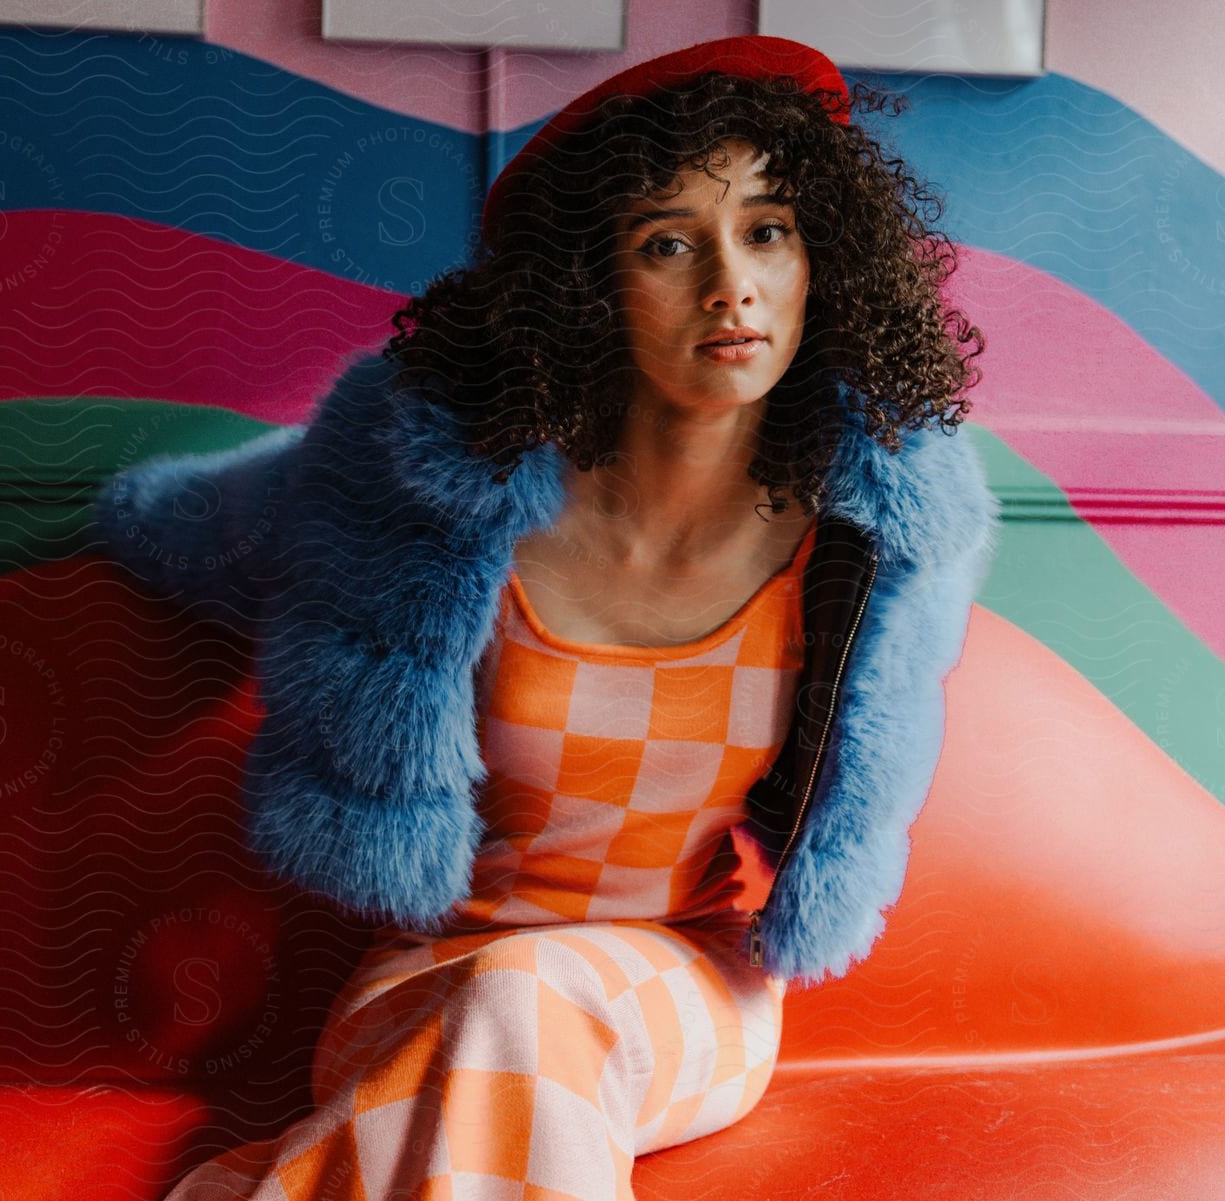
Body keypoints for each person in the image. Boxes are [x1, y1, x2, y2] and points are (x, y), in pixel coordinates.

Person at [93, 34, 1000, 1201]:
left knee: (530, 1004)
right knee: (500, 1005)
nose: (733, 283)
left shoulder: (875, 536)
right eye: (669, 243)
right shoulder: (421, 499)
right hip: (429, 977)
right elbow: (202, 531)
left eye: (768, 228)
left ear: (826, 252)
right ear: (588, 285)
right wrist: (115, 521)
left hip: (687, 980)